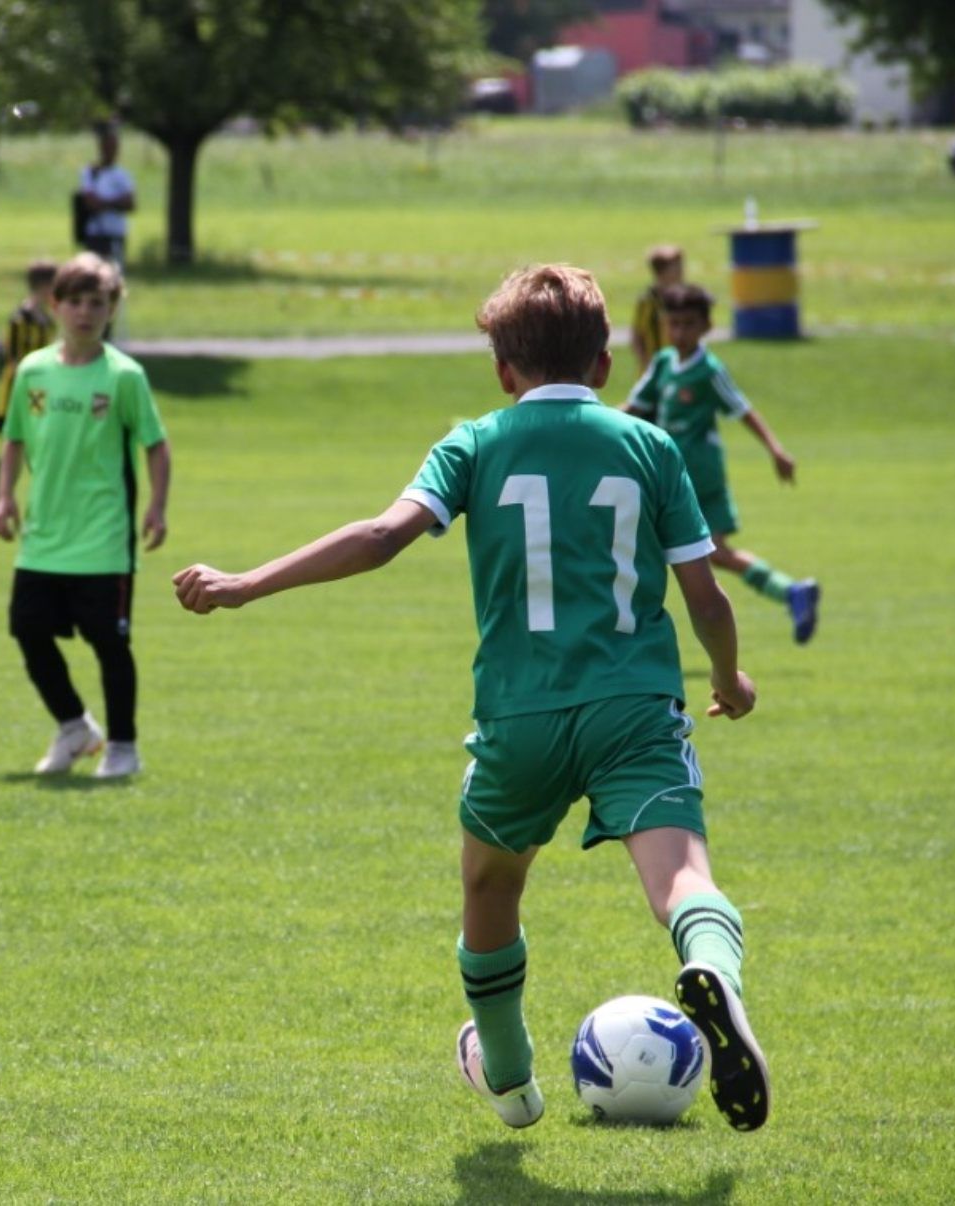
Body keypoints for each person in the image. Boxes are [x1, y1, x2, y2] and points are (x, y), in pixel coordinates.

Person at [174, 264, 772, 1134]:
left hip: (517, 715)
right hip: (634, 706)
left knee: (491, 887)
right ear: (606, 364)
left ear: (502, 369)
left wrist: (245, 583)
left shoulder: (475, 443)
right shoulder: (650, 447)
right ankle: (712, 971)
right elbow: (706, 598)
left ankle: (509, 1076)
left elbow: (380, 536)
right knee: (682, 877)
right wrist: (727, 679)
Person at [0, 253, 170, 780]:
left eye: (97, 303)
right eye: (75, 302)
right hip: (43, 536)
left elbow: (156, 445)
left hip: (103, 539)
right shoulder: (33, 371)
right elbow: (14, 439)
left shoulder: (124, 376)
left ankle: (123, 747)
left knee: (110, 644)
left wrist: (157, 507)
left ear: (112, 309)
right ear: (55, 306)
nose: (85, 313)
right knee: (27, 630)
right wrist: (3, 498)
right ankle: (74, 727)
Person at [625, 283, 819, 644]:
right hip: (668, 475)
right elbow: (631, 409)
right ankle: (791, 592)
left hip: (700, 476)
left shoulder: (709, 371)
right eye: (674, 324)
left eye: (688, 324)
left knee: (654, 542)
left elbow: (744, 410)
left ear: (706, 326)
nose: (680, 332)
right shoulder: (663, 363)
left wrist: (775, 450)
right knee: (712, 552)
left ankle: (628, 630)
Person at [0, 259, 59, 435]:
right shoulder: (20, 319)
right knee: (15, 433)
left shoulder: (47, 318)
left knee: (36, 432)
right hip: (20, 384)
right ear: (43, 286)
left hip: (42, 385)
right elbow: (12, 357)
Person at [74, 123, 136, 268]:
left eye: (114, 147)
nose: (111, 151)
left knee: (116, 271)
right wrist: (117, 202)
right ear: (101, 148)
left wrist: (104, 203)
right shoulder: (90, 172)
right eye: (108, 147)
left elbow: (130, 204)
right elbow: (90, 203)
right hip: (96, 233)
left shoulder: (123, 175)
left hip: (116, 232)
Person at [630, 244, 683, 373]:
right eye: (676, 267)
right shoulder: (646, 302)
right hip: (653, 369)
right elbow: (637, 337)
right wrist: (647, 364)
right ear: (661, 271)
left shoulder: (683, 299)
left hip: (679, 368)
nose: (681, 271)